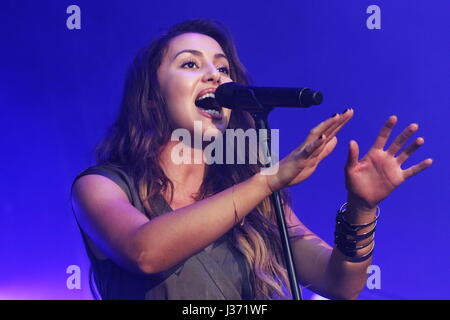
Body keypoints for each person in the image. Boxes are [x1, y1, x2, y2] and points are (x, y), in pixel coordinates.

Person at [70, 19, 432, 300]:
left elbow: (340, 283)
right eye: (190, 64)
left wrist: (361, 207)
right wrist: (268, 180)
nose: (214, 75)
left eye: (223, 69)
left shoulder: (254, 196)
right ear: (151, 99)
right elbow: (144, 252)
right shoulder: (101, 186)